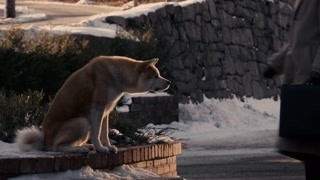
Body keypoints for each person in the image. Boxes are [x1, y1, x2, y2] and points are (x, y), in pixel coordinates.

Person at [264, 0, 320, 179]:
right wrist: (276, 63)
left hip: (313, 79)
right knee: (309, 149)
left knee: (312, 148)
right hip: (304, 76)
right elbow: (297, 39)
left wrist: (318, 70)